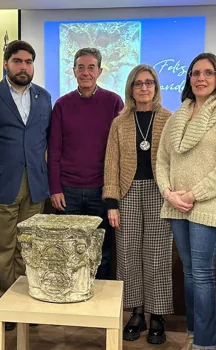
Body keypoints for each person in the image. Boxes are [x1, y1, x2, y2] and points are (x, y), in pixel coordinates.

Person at [156, 52, 216, 350]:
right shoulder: (178, 114)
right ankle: (196, 334)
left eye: (208, 73)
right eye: (195, 73)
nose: (201, 78)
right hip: (176, 205)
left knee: (203, 274)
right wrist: (169, 193)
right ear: (188, 78)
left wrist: (193, 195)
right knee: (189, 273)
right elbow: (163, 160)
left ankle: (206, 345)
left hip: (207, 206)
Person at [103, 64, 174, 345]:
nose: (144, 88)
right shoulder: (119, 122)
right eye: (138, 84)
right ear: (130, 89)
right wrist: (112, 202)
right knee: (128, 253)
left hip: (160, 193)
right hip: (127, 192)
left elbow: (176, 161)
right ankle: (136, 312)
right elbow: (111, 163)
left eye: (149, 83)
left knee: (157, 255)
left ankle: (157, 315)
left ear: (156, 87)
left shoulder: (170, 119)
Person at [0, 40, 52, 331]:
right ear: (6, 64)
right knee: (2, 250)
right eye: (17, 61)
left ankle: (28, 304)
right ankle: (8, 308)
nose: (23, 67)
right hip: (1, 184)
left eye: (28, 62)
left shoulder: (44, 97)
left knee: (30, 249)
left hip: (36, 185)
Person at [47, 48, 124, 280]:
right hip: (68, 192)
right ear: (73, 71)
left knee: (102, 252)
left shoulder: (113, 102)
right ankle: (73, 304)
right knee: (69, 251)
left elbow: (118, 150)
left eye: (91, 67)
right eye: (81, 67)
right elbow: (55, 151)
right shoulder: (62, 105)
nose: (86, 72)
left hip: (100, 191)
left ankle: (98, 307)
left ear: (100, 71)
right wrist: (55, 188)